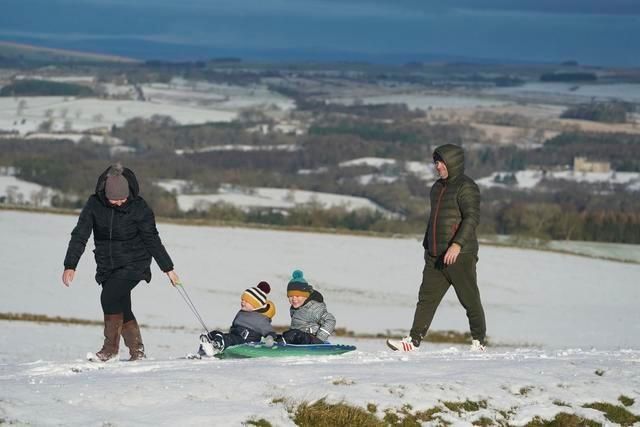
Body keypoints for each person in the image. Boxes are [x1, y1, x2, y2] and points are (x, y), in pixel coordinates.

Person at [62, 164, 180, 361]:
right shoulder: (94, 205)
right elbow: (80, 235)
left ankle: (110, 350)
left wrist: (168, 269)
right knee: (122, 305)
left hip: (135, 262)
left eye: (122, 199)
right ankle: (138, 352)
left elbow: (152, 239)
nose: (118, 203)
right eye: (114, 199)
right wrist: (70, 265)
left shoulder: (139, 208)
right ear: (105, 195)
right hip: (107, 264)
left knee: (108, 297)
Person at [387, 144, 487, 352]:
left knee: (469, 300)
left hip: (460, 255)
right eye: (435, 162)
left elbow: (472, 218)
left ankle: (479, 342)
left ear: (452, 162)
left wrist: (457, 245)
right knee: (426, 299)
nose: (437, 166)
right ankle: (412, 341)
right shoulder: (437, 187)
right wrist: (427, 247)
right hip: (435, 255)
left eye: (440, 162)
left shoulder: (466, 187)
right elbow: (434, 221)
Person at [197, 281, 276, 357]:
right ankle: (205, 346)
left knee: (229, 339)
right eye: (242, 300)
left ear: (256, 305)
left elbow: (269, 331)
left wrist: (269, 339)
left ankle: (217, 346)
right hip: (235, 336)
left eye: (247, 301)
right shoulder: (242, 312)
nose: (243, 302)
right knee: (216, 333)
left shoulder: (260, 319)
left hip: (246, 341)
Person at [279, 269, 336, 344]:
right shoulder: (295, 308)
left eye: (297, 296)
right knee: (287, 334)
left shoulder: (313, 308)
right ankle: (277, 342)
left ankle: (283, 343)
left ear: (305, 296)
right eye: (290, 296)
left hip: (312, 339)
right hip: (299, 338)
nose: (294, 299)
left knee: (293, 334)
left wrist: (320, 339)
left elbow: (330, 320)